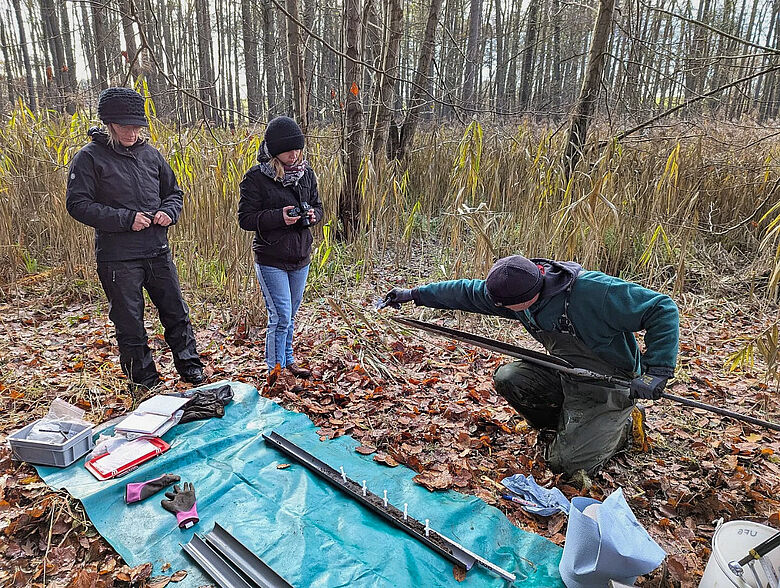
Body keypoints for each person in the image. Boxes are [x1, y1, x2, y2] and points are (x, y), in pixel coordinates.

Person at [382, 255, 679, 475]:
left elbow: (661, 308)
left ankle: (622, 427)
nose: (498, 309)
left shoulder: (594, 292)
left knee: (565, 465)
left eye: (505, 307)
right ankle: (569, 425)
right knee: (509, 377)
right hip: (564, 372)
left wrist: (658, 371)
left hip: (611, 386)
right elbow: (466, 292)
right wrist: (414, 295)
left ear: (531, 293)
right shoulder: (512, 290)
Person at [66, 87, 204, 391]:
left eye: (137, 126)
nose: (132, 132)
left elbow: (174, 192)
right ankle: (145, 384)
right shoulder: (88, 158)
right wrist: (127, 219)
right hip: (118, 258)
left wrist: (170, 211)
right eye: (125, 126)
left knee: (176, 313)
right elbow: (77, 205)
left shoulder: (150, 154)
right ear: (109, 124)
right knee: (130, 323)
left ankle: (192, 369)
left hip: (157, 251)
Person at [238, 116, 323, 378]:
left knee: (291, 314)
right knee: (280, 315)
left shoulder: (306, 173)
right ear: (274, 150)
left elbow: (319, 207)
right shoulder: (255, 179)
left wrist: (312, 216)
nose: (294, 154)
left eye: (298, 148)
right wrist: (279, 217)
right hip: (271, 257)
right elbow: (245, 219)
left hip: (300, 255)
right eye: (288, 150)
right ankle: (275, 370)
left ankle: (288, 360)